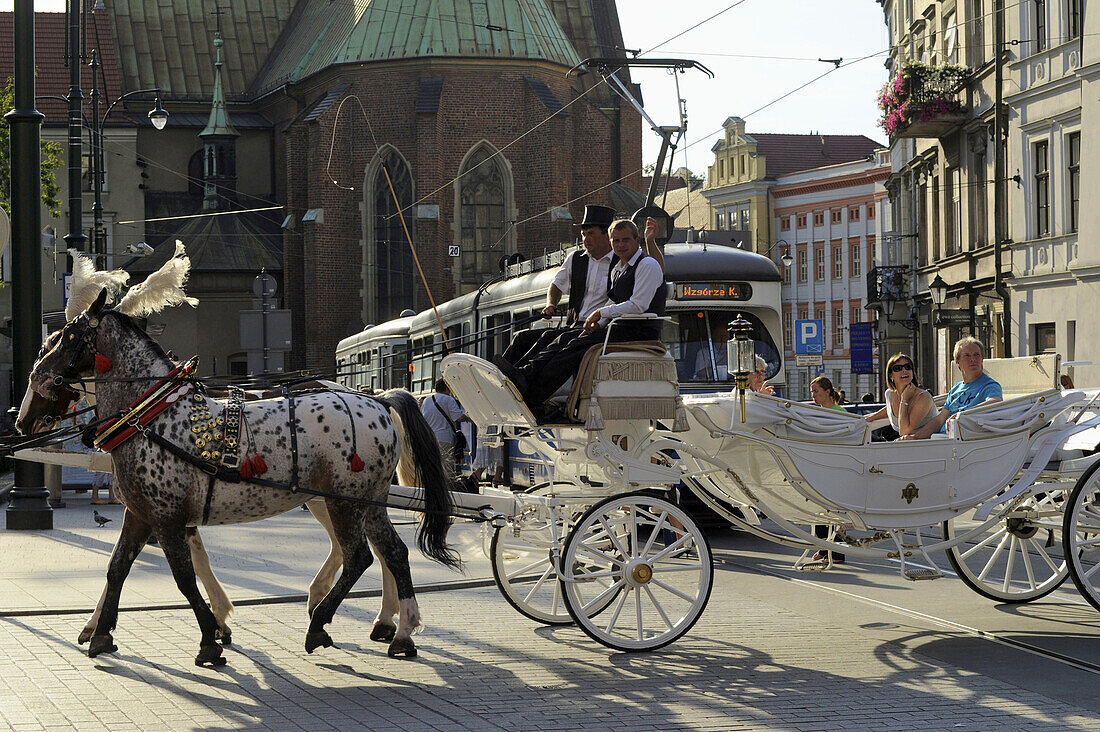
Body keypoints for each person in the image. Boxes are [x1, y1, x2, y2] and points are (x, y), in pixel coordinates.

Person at [495, 218, 667, 418]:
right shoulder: (619, 269)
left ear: (637, 240)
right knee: (561, 338)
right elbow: (614, 302)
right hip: (616, 327)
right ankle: (523, 374)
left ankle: (533, 396)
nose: (620, 245)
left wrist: (599, 314)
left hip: (637, 331)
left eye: (625, 240)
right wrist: (594, 323)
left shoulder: (647, 265)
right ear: (611, 242)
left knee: (574, 348)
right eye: (616, 241)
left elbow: (639, 305)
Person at [902, 336, 1003, 440]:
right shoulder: (956, 389)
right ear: (958, 362)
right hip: (944, 438)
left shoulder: (989, 385)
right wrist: (915, 437)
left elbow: (995, 401)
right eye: (967, 355)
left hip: (965, 440)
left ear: (982, 359)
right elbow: (939, 420)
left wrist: (962, 415)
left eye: (977, 355)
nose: (973, 359)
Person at [809, 375, 846, 563]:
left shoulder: (839, 412)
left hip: (836, 467)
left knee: (834, 511)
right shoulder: (818, 412)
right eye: (812, 392)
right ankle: (823, 548)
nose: (813, 395)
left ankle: (837, 552)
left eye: (816, 391)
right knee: (819, 509)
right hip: (821, 466)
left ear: (828, 392)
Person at [863, 353, 937, 439]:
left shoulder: (923, 397)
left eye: (907, 367)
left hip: (931, 444)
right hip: (907, 445)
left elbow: (904, 431)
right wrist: (870, 418)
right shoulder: (890, 394)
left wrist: (904, 399)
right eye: (898, 368)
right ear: (891, 375)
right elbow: (890, 409)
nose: (904, 370)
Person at [420, 379, 469, 474]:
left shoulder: (426, 401)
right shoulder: (448, 399)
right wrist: (468, 418)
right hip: (444, 438)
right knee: (446, 468)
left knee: (433, 466)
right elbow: (458, 417)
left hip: (430, 439)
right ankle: (447, 487)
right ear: (447, 388)